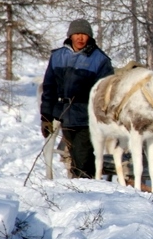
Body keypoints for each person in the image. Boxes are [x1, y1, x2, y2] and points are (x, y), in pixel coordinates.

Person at [40, 18, 114, 178]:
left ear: (90, 36)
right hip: (64, 115)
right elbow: (49, 88)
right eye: (77, 34)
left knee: (83, 157)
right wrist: (46, 116)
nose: (80, 38)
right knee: (74, 156)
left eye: (84, 34)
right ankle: (82, 186)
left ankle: (87, 186)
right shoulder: (57, 56)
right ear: (70, 35)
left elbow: (106, 93)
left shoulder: (100, 60)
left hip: (86, 118)